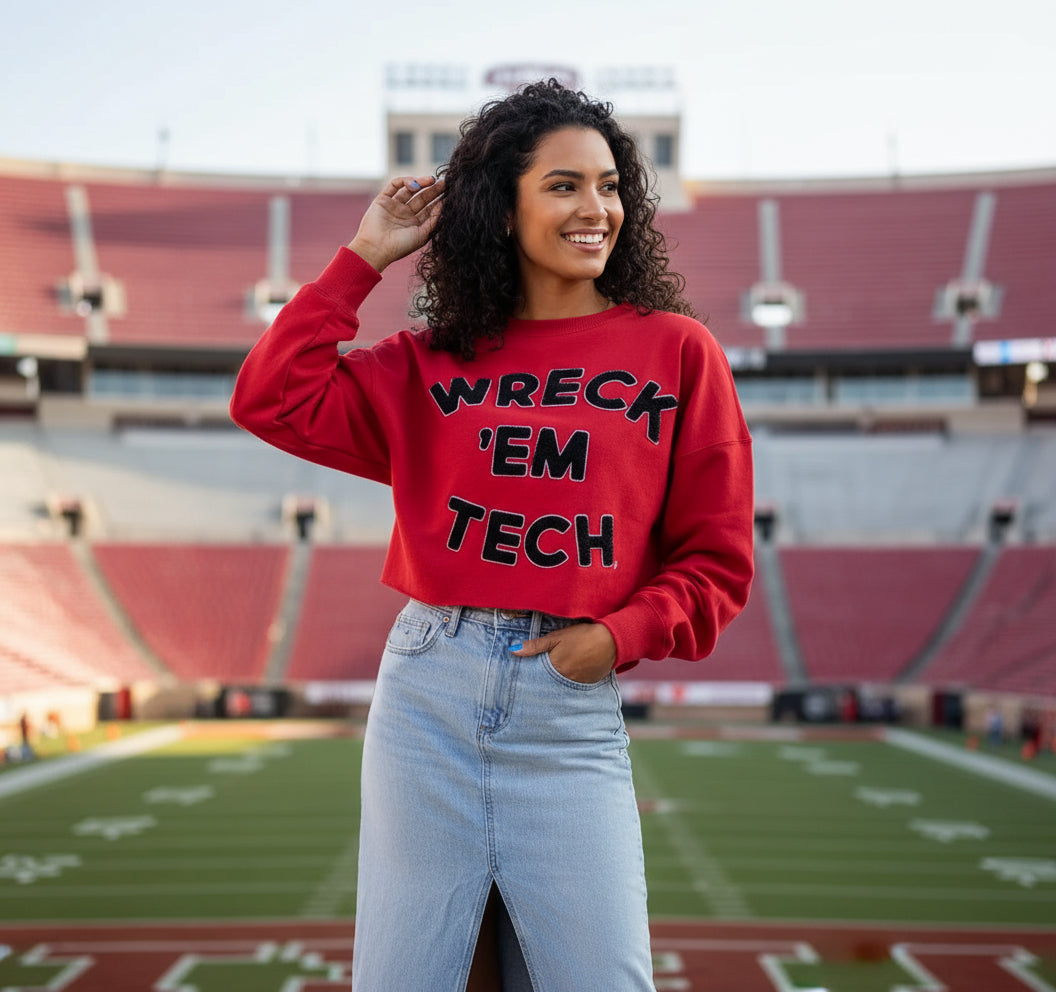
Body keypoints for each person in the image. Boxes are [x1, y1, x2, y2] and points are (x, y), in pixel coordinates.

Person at [231, 79, 754, 992]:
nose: (597, 209)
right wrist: (363, 259)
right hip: (428, 689)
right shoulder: (428, 362)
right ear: (499, 208)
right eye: (563, 185)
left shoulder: (678, 350)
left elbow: (716, 561)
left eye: (608, 185)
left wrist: (614, 639)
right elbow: (270, 398)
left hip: (567, 702)